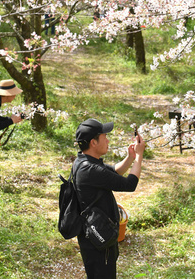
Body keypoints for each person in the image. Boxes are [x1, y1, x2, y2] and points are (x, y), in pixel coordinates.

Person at [72, 119, 146, 279]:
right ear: (93, 142)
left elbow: (113, 172)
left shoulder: (84, 161)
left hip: (97, 233)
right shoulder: (90, 169)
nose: (108, 140)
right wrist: (139, 156)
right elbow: (130, 184)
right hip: (98, 238)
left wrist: (130, 157)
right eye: (105, 137)